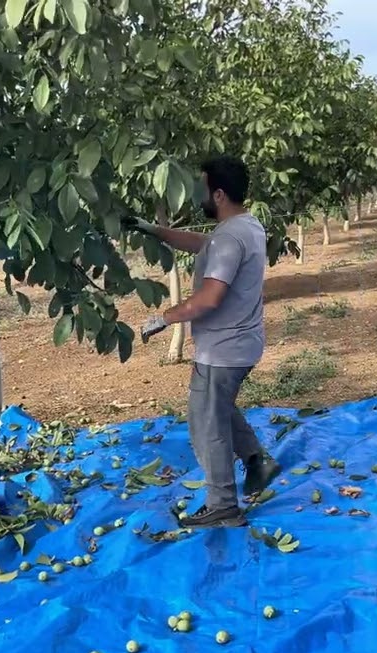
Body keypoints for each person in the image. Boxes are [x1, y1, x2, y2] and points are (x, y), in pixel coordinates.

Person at [124, 155, 281, 529]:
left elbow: (210, 297)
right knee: (219, 407)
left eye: (203, 190)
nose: (198, 197)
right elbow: (203, 243)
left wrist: (164, 317)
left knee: (205, 422)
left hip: (224, 349)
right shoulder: (246, 225)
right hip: (241, 343)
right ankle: (258, 461)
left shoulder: (230, 236)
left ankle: (223, 504)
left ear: (220, 194)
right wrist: (152, 229)